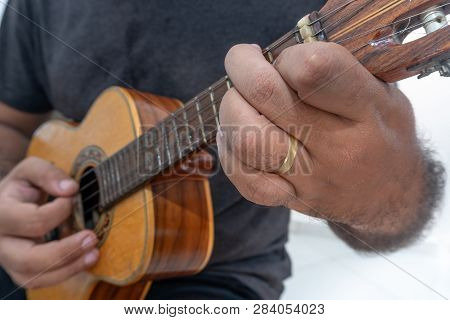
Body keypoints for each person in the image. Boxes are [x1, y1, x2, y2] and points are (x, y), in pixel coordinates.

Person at [0, 0, 445, 300]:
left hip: (221, 277)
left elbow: (397, 219)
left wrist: (382, 190)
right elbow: (9, 122)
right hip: (46, 258)